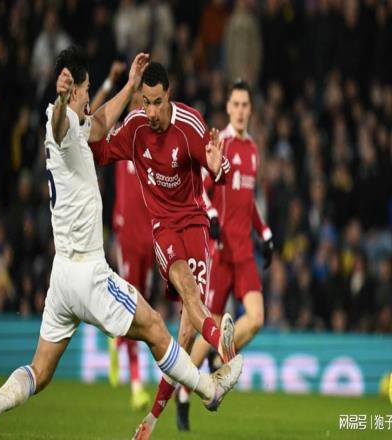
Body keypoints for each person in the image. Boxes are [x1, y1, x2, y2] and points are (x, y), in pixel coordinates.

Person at [0, 47, 242, 440]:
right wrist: (61, 99)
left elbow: (102, 121)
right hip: (90, 273)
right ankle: (209, 389)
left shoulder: (75, 126)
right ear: (74, 91)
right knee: (157, 328)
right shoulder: (62, 125)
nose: (91, 96)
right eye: (87, 89)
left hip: (61, 279)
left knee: (40, 372)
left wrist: (127, 84)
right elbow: (64, 125)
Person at [88, 61, 237, 439]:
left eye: (157, 102)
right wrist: (81, 128)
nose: (151, 111)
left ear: (169, 95)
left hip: (195, 224)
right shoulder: (135, 127)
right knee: (187, 290)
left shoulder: (190, 125)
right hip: (163, 229)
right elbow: (99, 149)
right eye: (146, 102)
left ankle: (153, 419)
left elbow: (220, 170)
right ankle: (227, 353)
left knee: (185, 335)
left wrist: (218, 168)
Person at [176, 79, 274, 431]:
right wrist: (213, 216)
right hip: (219, 251)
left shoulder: (254, 150)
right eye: (236, 104)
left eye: (246, 105)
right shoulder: (223, 145)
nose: (241, 110)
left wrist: (265, 232)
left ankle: (220, 363)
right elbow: (201, 189)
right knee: (210, 327)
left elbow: (249, 202)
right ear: (229, 108)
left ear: (250, 109)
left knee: (257, 318)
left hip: (244, 251)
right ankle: (184, 389)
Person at [92, 64, 152, 411]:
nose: (141, 107)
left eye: (145, 101)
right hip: (128, 236)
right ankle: (136, 384)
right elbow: (91, 124)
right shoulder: (120, 134)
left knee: (143, 305)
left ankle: (116, 341)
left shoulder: (152, 139)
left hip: (151, 238)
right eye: (137, 100)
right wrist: (113, 81)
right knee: (133, 308)